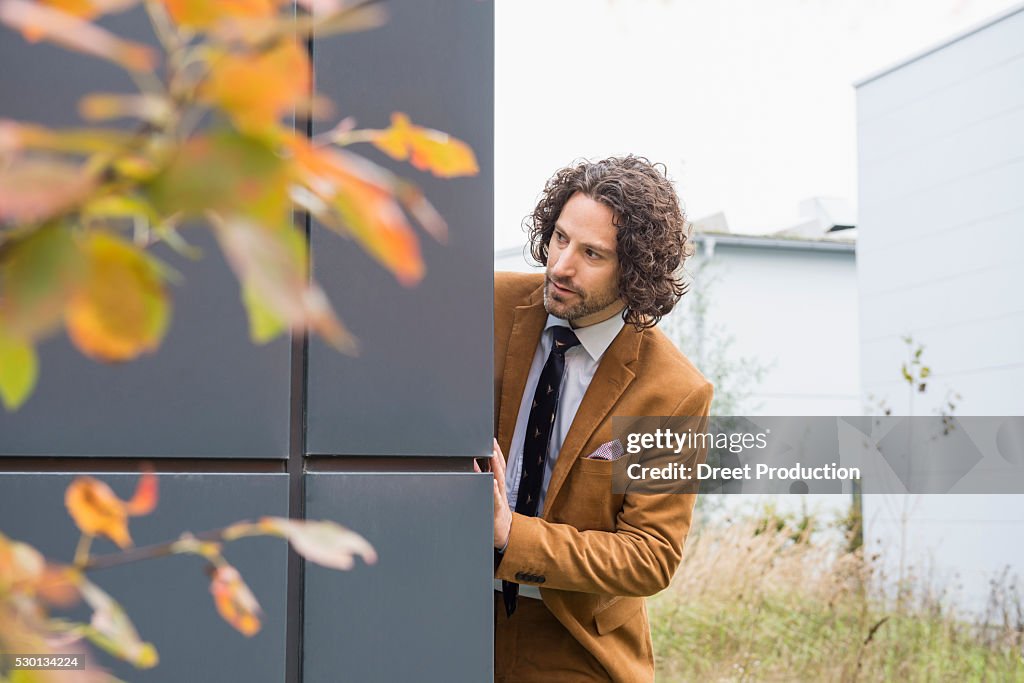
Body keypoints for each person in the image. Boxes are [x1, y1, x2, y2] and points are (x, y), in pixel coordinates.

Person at [482, 155, 714, 682]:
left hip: (574, 640)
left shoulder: (673, 393)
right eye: (560, 238)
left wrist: (508, 534)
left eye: (591, 254)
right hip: (447, 612)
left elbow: (648, 556)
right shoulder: (484, 307)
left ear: (634, 273)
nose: (561, 265)